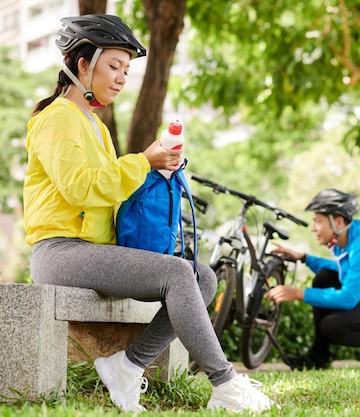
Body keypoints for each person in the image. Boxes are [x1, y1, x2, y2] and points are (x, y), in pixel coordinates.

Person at [23, 14, 274, 413]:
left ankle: (127, 365)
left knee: (200, 275)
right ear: (82, 64)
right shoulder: (55, 119)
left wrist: (154, 172)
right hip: (60, 253)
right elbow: (81, 187)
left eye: (126, 69)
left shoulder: (97, 127)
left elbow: (111, 191)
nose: (122, 78)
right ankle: (225, 383)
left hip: (93, 254)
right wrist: (142, 161)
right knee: (178, 273)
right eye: (113, 66)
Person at [266, 189, 360, 370]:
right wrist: (302, 257)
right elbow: (343, 271)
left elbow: (348, 298)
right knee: (325, 277)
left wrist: (298, 293)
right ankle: (319, 356)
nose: (313, 228)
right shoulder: (350, 242)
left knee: (332, 327)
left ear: (338, 221)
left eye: (317, 221)